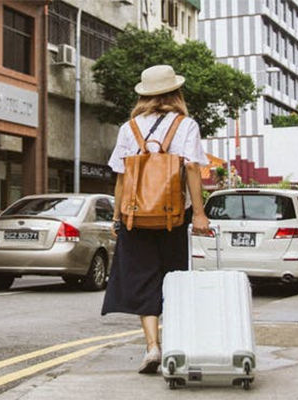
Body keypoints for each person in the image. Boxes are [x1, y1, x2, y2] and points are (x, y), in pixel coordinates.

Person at [101, 64, 210, 374]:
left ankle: (152, 346)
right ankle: (174, 342)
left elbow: (121, 176)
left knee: (141, 278)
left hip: (135, 216)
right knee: (172, 278)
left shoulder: (129, 128)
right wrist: (200, 214)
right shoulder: (186, 125)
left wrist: (117, 216)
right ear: (175, 93)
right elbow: (191, 169)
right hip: (172, 216)